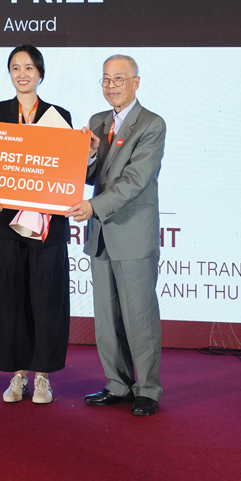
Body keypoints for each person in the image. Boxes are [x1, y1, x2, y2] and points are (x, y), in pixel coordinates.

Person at [66, 54, 166, 417]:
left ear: (136, 82)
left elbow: (136, 181)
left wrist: (93, 207)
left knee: (139, 316)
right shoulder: (97, 121)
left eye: (119, 79)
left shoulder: (151, 124)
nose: (111, 85)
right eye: (106, 79)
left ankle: (148, 389)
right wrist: (89, 155)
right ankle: (118, 384)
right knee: (106, 318)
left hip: (132, 233)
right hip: (101, 234)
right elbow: (92, 176)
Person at [0, 44, 72, 404]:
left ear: (40, 73)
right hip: (4, 224)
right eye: (15, 67)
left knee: (45, 298)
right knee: (11, 298)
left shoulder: (58, 115)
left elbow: (66, 168)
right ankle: (18, 374)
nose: (22, 73)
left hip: (46, 227)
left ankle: (43, 376)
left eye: (29, 67)